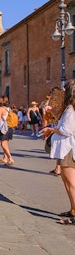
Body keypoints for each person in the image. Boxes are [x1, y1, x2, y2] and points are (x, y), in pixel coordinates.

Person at [42, 80, 75, 224]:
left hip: (68, 148)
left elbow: (66, 130)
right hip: (65, 149)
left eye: (65, 88)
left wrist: (51, 130)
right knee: (66, 181)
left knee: (71, 182)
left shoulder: (71, 110)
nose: (62, 90)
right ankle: (73, 209)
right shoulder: (69, 109)